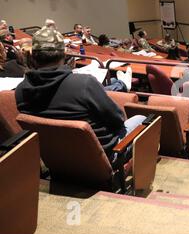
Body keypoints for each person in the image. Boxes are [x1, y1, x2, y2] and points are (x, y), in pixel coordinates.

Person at [15, 27, 145, 164]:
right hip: (102, 158)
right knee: (141, 119)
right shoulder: (84, 84)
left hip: (58, 161)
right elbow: (118, 119)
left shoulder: (21, 91)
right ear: (64, 54)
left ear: (33, 55)